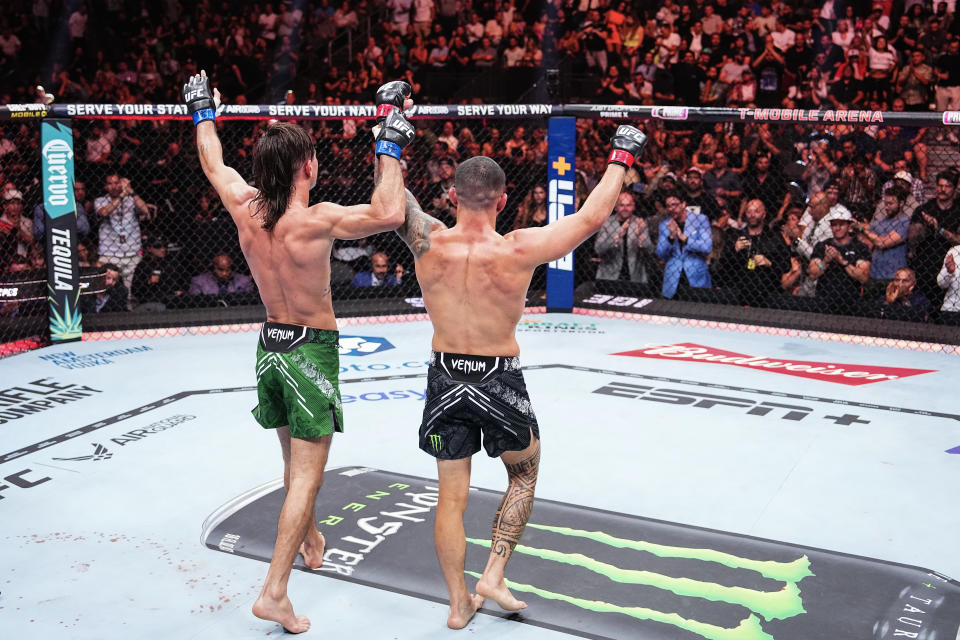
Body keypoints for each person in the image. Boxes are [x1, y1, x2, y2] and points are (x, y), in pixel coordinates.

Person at [183, 72, 413, 633]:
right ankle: (274, 591)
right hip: (311, 349)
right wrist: (390, 137)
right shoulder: (316, 220)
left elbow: (213, 161)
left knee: (292, 463)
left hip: (271, 346)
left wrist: (202, 111)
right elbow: (389, 213)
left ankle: (309, 538)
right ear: (306, 167)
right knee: (309, 475)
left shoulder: (244, 205)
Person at [393, 126, 647, 629]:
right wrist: (622, 153)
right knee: (524, 472)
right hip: (497, 376)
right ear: (504, 201)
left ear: (450, 197)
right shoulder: (518, 249)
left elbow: (391, 197)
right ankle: (493, 573)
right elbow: (594, 215)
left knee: (451, 496)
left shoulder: (427, 240)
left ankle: (458, 603)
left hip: (445, 375)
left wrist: (388, 137)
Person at [718, 199, 790, 307]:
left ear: (764, 214)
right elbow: (722, 266)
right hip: (738, 290)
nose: (752, 215)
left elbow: (786, 265)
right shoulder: (734, 235)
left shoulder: (775, 237)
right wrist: (734, 250)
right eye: (748, 211)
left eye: (756, 211)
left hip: (767, 291)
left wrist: (769, 263)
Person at [807, 209, 871, 315]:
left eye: (841, 224)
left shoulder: (860, 247)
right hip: (824, 302)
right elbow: (812, 274)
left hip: (852, 304)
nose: (837, 228)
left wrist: (841, 260)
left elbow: (863, 277)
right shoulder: (822, 246)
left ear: (849, 225)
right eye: (834, 224)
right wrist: (825, 261)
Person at [94, 174, 151, 293]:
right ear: (105, 187)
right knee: (103, 289)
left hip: (132, 253)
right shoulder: (100, 200)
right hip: (109, 254)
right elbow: (104, 212)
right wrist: (121, 196)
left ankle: (128, 309)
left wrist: (131, 191)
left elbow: (145, 210)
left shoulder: (131, 199)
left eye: (117, 183)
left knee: (129, 292)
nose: (114, 186)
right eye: (110, 183)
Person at [655, 193, 713, 299]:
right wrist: (671, 238)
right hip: (673, 280)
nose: (671, 209)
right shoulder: (665, 225)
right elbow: (660, 253)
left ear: (683, 204)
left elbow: (707, 247)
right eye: (668, 206)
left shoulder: (700, 220)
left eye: (674, 205)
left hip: (696, 278)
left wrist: (684, 238)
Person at [594, 191, 653, 284]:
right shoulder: (607, 223)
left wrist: (640, 237)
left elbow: (650, 250)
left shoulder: (639, 223)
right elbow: (598, 249)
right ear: (615, 207)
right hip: (609, 276)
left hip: (634, 277)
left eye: (628, 205)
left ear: (633, 206)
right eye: (621, 205)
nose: (625, 208)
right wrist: (617, 237)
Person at [188, 253, 255, 296]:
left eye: (228, 269)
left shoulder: (244, 281)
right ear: (213, 268)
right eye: (220, 270)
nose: (225, 273)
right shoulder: (199, 282)